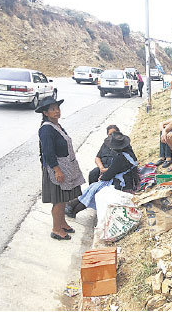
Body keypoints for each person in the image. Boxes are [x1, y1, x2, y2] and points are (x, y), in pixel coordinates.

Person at [36, 96, 85, 240]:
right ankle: (56, 229)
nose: (57, 111)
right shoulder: (46, 129)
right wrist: (57, 170)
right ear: (45, 113)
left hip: (65, 167)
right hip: (56, 170)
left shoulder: (56, 125)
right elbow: (48, 152)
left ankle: (62, 223)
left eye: (57, 108)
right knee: (58, 200)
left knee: (64, 198)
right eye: (52, 109)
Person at [65, 131, 140, 218]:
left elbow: (109, 175)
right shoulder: (129, 153)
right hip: (128, 179)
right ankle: (72, 207)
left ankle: (73, 208)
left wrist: (102, 178)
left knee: (95, 189)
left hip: (124, 184)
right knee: (94, 187)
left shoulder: (120, 158)